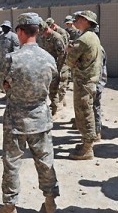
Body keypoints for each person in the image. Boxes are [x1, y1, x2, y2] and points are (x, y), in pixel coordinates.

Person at [0, 12, 60, 213]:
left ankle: (10, 208)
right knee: (45, 160)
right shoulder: (48, 58)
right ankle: (50, 203)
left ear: (20, 31)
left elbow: (1, 81)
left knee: (12, 163)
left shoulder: (12, 58)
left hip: (16, 119)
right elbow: (53, 83)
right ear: (38, 31)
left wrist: (8, 87)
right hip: (40, 118)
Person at [65, 10, 103, 160]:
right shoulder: (92, 37)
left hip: (83, 81)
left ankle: (87, 148)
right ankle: (86, 143)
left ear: (87, 21)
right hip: (89, 81)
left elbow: (69, 60)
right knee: (86, 111)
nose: (76, 20)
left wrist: (69, 51)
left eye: (79, 19)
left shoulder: (85, 39)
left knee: (84, 113)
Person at [37, 20, 66, 118]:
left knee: (53, 90)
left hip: (55, 68)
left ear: (46, 29)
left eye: (42, 33)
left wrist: (57, 71)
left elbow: (62, 56)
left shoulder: (57, 38)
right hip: (46, 67)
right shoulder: (45, 37)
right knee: (46, 89)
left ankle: (55, 111)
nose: (42, 35)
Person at [94, 26, 108, 141]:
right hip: (96, 82)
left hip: (96, 83)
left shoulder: (98, 48)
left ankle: (96, 132)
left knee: (95, 107)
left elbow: (98, 69)